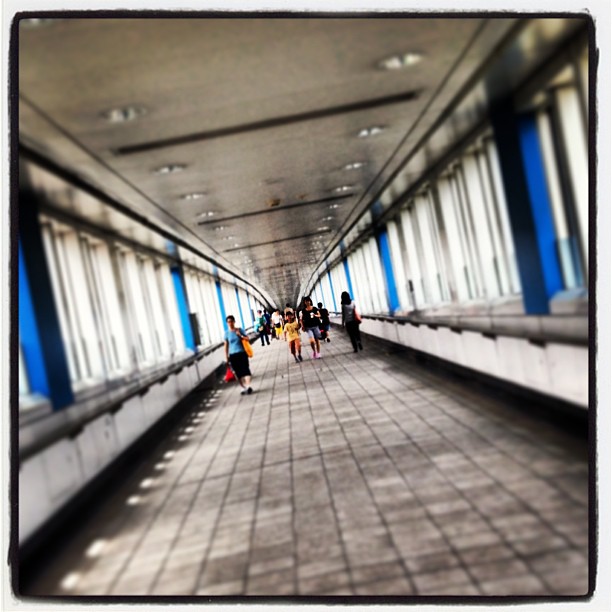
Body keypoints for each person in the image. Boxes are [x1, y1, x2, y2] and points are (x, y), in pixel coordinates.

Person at [224, 315, 254, 394]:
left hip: (242, 353)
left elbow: (247, 338)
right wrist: (226, 357)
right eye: (228, 322)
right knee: (237, 372)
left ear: (234, 322)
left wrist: (240, 336)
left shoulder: (240, 330)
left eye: (231, 321)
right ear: (227, 323)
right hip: (233, 355)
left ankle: (248, 386)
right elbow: (226, 346)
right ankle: (243, 387)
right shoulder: (226, 333)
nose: (230, 323)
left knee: (246, 369)